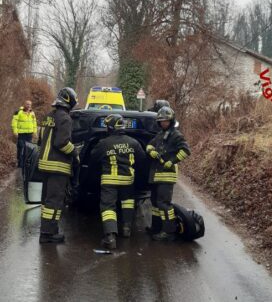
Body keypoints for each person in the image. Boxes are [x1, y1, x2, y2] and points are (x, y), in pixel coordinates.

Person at [90, 114, 145, 250]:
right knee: (127, 204)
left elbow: (93, 159)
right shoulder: (134, 142)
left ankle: (110, 237)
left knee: (108, 207)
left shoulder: (104, 143)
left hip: (109, 181)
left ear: (110, 128)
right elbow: (143, 160)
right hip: (128, 180)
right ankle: (126, 229)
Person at [38, 87, 79, 244]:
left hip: (44, 164)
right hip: (57, 166)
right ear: (70, 101)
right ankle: (48, 234)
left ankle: (48, 230)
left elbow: (40, 140)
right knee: (54, 201)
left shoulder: (49, 116)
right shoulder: (65, 118)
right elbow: (61, 143)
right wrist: (74, 152)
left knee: (47, 200)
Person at [146, 106, 190, 241]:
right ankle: (156, 228)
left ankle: (169, 231)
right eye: (161, 121)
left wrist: (172, 161)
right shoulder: (159, 135)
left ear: (171, 121)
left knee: (164, 204)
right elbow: (149, 145)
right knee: (155, 203)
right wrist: (150, 150)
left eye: (166, 121)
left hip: (167, 175)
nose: (163, 123)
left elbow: (185, 151)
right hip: (156, 175)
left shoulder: (176, 135)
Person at [11, 100, 37, 167]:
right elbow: (14, 123)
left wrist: (34, 132)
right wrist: (15, 132)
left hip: (29, 134)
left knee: (28, 149)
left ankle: (25, 163)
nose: (29, 106)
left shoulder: (32, 113)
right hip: (21, 134)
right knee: (21, 148)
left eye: (30, 105)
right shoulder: (18, 112)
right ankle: (20, 163)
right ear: (24, 104)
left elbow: (34, 123)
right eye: (27, 104)